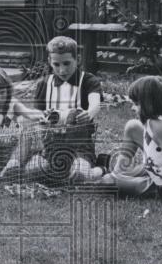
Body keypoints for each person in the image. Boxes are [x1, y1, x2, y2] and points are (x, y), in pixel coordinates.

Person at [98, 76, 162, 215]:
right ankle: (118, 172)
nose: (133, 107)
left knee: (106, 181)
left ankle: (113, 177)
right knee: (132, 126)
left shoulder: (157, 125)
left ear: (148, 103)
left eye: (136, 103)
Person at [23, 36, 105, 184]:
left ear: (77, 59)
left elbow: (96, 104)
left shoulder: (88, 81)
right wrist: (43, 116)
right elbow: (37, 114)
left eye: (67, 63)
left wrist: (89, 114)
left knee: (79, 176)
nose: (62, 69)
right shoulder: (44, 84)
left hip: (80, 147)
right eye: (56, 64)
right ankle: (57, 169)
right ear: (49, 62)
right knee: (32, 173)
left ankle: (102, 166)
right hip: (50, 147)